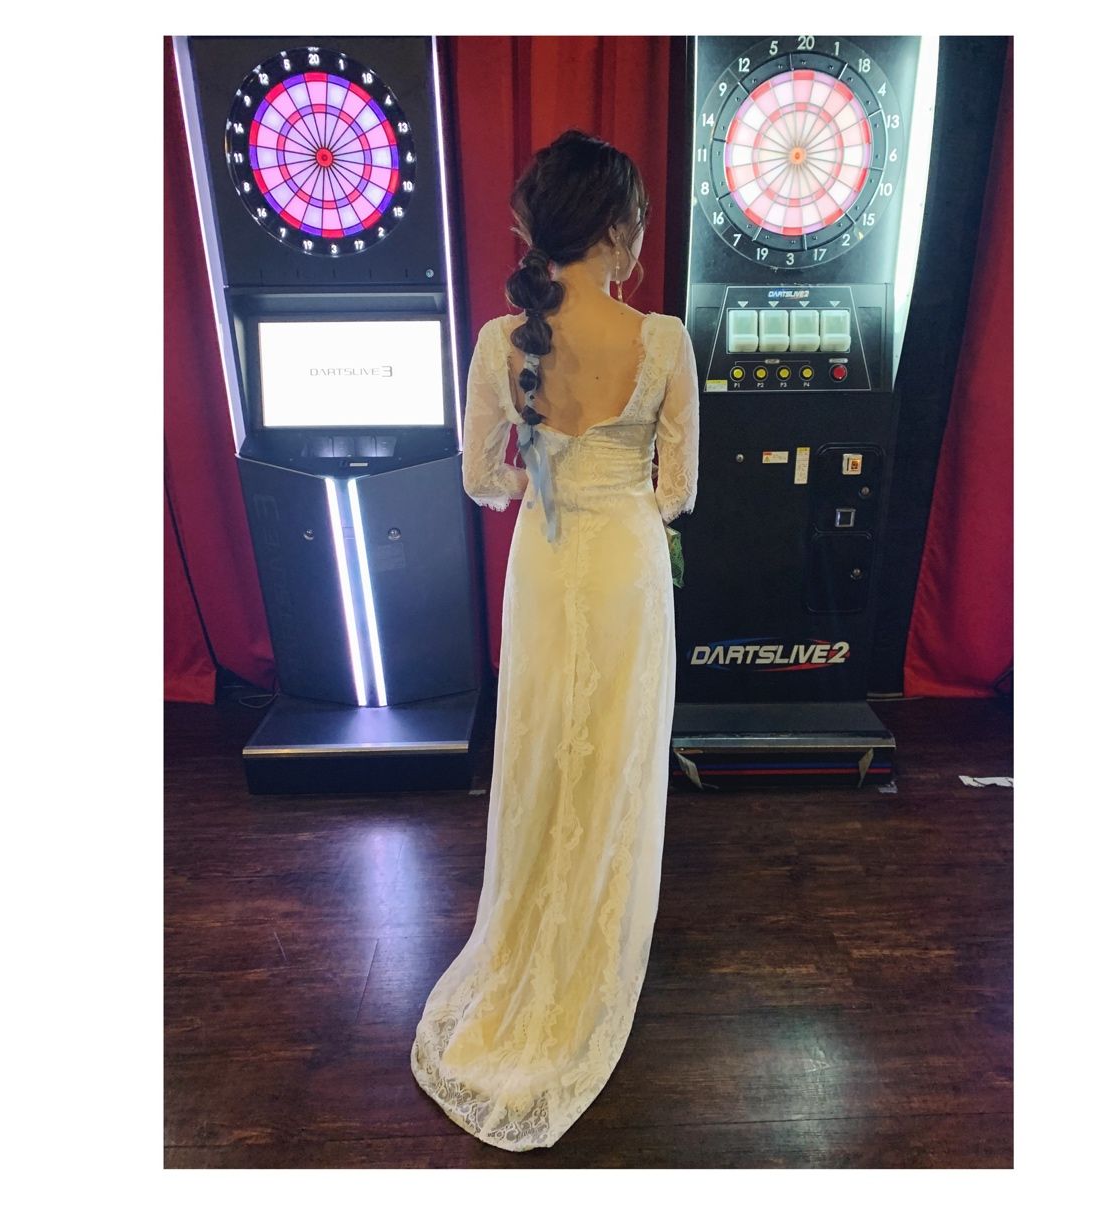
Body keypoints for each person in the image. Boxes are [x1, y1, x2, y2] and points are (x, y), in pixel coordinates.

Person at [410, 129, 700, 1151]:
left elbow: (478, 476)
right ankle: (595, 934)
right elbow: (676, 491)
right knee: (614, 755)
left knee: (539, 750)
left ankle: (529, 929)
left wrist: (538, 484)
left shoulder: (502, 339)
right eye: (638, 221)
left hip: (544, 560)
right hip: (623, 565)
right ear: (617, 227)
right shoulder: (661, 340)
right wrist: (620, 498)